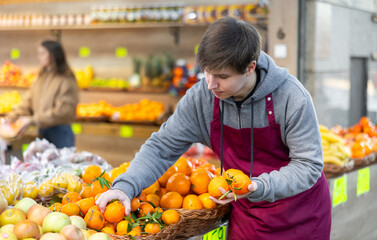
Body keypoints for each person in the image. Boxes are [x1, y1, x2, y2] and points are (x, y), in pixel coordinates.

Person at [96, 17, 331, 239]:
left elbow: (308, 165)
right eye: (206, 71)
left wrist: (259, 186)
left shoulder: (291, 97)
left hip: (301, 214)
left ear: (250, 67)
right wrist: (126, 186)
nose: (210, 84)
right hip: (248, 216)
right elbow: (162, 146)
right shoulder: (202, 99)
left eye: (222, 76)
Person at [7, 40, 79, 149]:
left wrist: (33, 120)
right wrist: (13, 116)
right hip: (42, 131)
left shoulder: (66, 79)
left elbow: (64, 111)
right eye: (38, 53)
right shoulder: (41, 77)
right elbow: (28, 101)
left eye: (43, 53)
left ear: (54, 55)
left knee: (60, 164)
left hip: (60, 133)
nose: (39, 57)